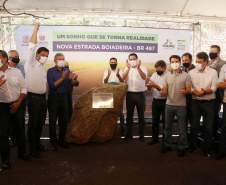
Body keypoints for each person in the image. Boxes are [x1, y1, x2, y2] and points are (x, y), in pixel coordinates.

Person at [0, 50, 31, 170]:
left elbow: (23, 88)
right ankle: (5, 159)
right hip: (2, 107)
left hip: (17, 105)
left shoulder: (17, 71)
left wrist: (18, 103)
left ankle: (22, 153)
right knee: (3, 134)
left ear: (5, 58)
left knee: (19, 130)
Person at [24, 23, 49, 158]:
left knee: (40, 124)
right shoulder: (31, 63)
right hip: (33, 98)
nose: (45, 57)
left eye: (47, 55)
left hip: (42, 99)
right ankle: (32, 149)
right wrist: (35, 30)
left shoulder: (42, 66)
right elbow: (31, 47)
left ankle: (37, 144)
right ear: (37, 55)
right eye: (43, 55)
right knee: (33, 125)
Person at [160, 55, 191, 157]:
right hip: (169, 105)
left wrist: (185, 91)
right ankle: (167, 145)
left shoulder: (186, 75)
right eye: (172, 61)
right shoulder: (167, 76)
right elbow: (165, 89)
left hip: (181, 105)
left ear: (180, 62)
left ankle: (181, 147)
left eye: (176, 61)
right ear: (170, 63)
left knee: (182, 129)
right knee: (167, 127)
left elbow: (189, 90)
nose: (175, 63)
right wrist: (162, 91)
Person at [188, 52, 218, 159]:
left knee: (207, 128)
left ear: (206, 62)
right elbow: (189, 87)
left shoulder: (213, 72)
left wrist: (205, 91)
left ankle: (206, 150)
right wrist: (195, 92)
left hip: (208, 103)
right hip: (195, 102)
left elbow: (214, 87)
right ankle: (193, 147)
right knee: (194, 126)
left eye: (200, 62)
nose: (197, 63)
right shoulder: (191, 73)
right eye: (196, 61)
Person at [47, 53, 78, 151]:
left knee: (64, 121)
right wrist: (62, 78)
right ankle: (53, 143)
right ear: (55, 61)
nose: (62, 60)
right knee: (52, 122)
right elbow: (52, 85)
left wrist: (72, 79)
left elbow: (75, 84)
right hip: (53, 99)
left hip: (64, 98)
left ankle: (61, 140)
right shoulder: (50, 71)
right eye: (59, 59)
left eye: (63, 59)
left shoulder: (67, 70)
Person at [122, 53, 148, 142]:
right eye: (130, 59)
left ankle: (142, 135)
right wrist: (128, 68)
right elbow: (122, 78)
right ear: (128, 60)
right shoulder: (127, 68)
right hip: (130, 95)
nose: (132, 61)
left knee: (141, 116)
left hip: (140, 94)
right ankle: (129, 135)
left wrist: (138, 68)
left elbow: (144, 77)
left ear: (137, 59)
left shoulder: (143, 68)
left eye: (134, 59)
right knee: (129, 116)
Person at [146, 60, 169, 145]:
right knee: (155, 121)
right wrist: (149, 86)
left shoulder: (168, 75)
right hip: (155, 101)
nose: (157, 71)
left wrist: (154, 85)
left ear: (164, 68)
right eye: (156, 69)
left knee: (165, 122)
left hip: (165, 101)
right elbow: (150, 85)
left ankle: (165, 140)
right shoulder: (154, 74)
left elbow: (164, 89)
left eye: (159, 69)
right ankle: (154, 139)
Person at [8, 50, 26, 147]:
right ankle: (13, 138)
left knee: (21, 119)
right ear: (10, 58)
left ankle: (22, 137)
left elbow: (23, 82)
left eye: (18, 56)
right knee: (11, 120)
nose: (17, 58)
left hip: (22, 97)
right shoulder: (5, 69)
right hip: (10, 98)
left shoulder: (22, 68)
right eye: (15, 56)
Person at [103, 57, 125, 136]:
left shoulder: (120, 72)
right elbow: (104, 82)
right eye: (111, 62)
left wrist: (118, 75)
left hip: (119, 95)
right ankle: (109, 129)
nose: (113, 64)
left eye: (114, 62)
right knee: (109, 112)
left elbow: (123, 81)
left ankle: (122, 129)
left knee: (121, 113)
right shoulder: (106, 72)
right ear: (109, 63)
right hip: (109, 95)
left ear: (116, 63)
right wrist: (108, 76)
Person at [209, 45, 226, 141]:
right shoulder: (207, 63)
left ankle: (214, 135)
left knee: (215, 114)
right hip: (207, 93)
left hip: (218, 94)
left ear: (218, 53)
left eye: (213, 52)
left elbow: (220, 80)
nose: (211, 53)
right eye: (210, 51)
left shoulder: (223, 63)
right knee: (209, 115)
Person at [182, 53, 195, 134]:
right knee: (183, 120)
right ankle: (183, 139)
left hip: (193, 99)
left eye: (186, 60)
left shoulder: (196, 70)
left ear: (191, 60)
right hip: (183, 99)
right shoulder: (182, 71)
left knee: (193, 121)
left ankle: (192, 140)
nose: (184, 62)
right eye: (183, 60)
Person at [215, 64, 226, 159]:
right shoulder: (224, 67)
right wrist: (223, 84)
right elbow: (218, 83)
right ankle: (221, 150)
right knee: (225, 126)